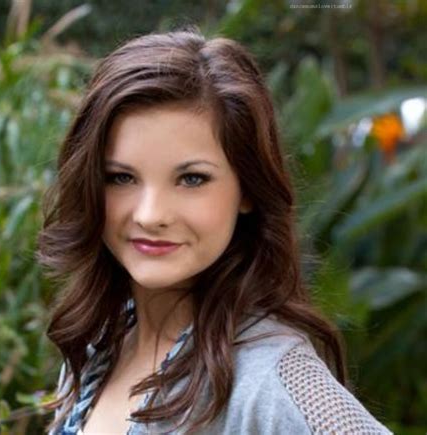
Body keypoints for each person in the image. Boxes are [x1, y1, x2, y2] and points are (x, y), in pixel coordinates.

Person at [37, 27, 392, 435]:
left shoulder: (273, 379)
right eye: (121, 177)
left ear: (247, 188)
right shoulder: (102, 342)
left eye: (191, 179)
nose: (151, 215)